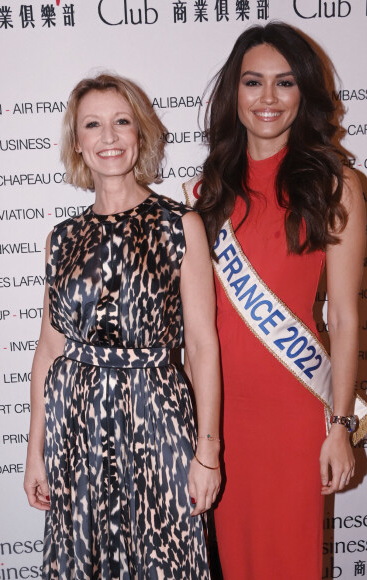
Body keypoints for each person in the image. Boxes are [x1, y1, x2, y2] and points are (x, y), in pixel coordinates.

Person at [183, 23, 367, 579]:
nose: (267, 98)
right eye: (253, 82)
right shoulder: (205, 193)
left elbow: (342, 315)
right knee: (230, 560)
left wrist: (339, 425)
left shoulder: (334, 183)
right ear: (233, 93)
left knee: (289, 562)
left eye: (285, 83)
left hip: (293, 416)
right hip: (221, 418)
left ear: (304, 93)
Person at [24, 73, 221, 579]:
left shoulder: (180, 225)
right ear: (78, 142)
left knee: (168, 561)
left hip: (158, 422)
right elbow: (48, 351)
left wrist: (208, 453)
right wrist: (36, 453)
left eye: (121, 122)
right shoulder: (61, 239)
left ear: (141, 134)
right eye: (93, 125)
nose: (108, 137)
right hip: (79, 429)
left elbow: (201, 346)